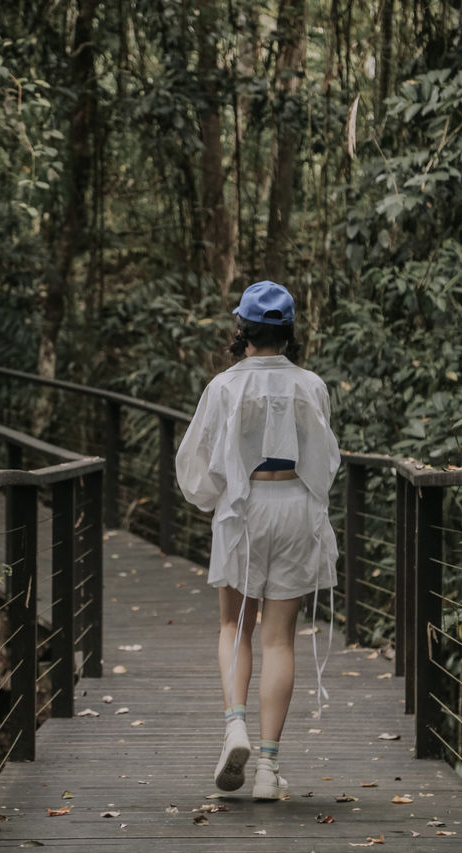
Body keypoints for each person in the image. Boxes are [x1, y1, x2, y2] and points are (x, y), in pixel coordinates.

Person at [175, 280, 340, 800]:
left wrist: (212, 501)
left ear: (241, 329)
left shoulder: (224, 387)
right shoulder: (310, 385)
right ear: (289, 333)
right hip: (295, 506)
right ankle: (268, 770)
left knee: (234, 624)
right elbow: (324, 458)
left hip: (244, 510)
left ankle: (235, 728)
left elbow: (196, 461)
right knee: (279, 638)